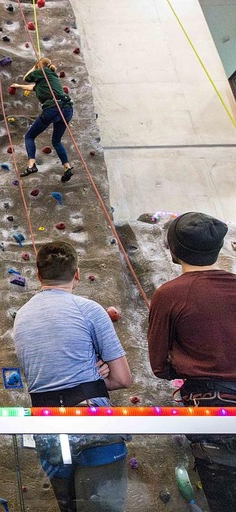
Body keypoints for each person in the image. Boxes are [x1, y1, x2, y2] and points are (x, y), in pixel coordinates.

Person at [13, 241, 132, 512]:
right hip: (90, 422)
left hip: (49, 429)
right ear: (77, 274)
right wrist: (96, 378)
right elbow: (123, 378)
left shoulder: (22, 316)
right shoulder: (89, 309)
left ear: (38, 274)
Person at [147, 212, 235, 512]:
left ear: (172, 249)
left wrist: (185, 364)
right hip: (215, 405)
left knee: (224, 499)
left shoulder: (169, 295)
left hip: (211, 408)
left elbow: (158, 366)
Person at [11, 57, 75, 182]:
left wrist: (36, 66)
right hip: (67, 109)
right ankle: (67, 168)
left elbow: (27, 78)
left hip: (53, 108)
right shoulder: (49, 78)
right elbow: (32, 87)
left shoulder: (43, 71)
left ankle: (31, 165)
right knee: (56, 141)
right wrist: (18, 86)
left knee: (29, 136)